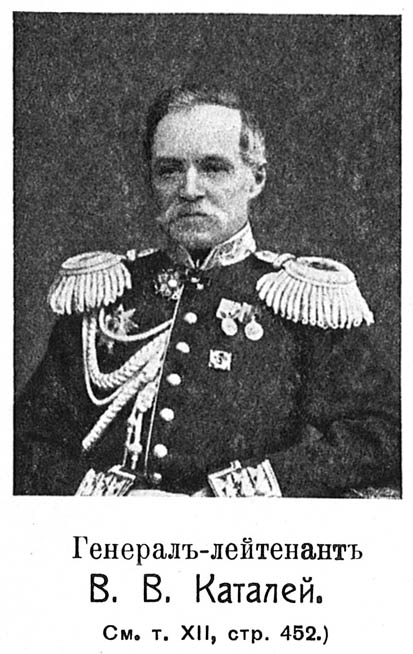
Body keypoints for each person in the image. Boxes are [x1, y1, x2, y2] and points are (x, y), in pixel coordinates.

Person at [14, 86, 400, 497]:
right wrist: (119, 500)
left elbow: (386, 433)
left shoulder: (301, 301)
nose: (190, 189)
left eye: (213, 168)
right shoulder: (106, 294)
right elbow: (23, 446)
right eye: (169, 170)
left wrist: (234, 495)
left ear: (256, 179)